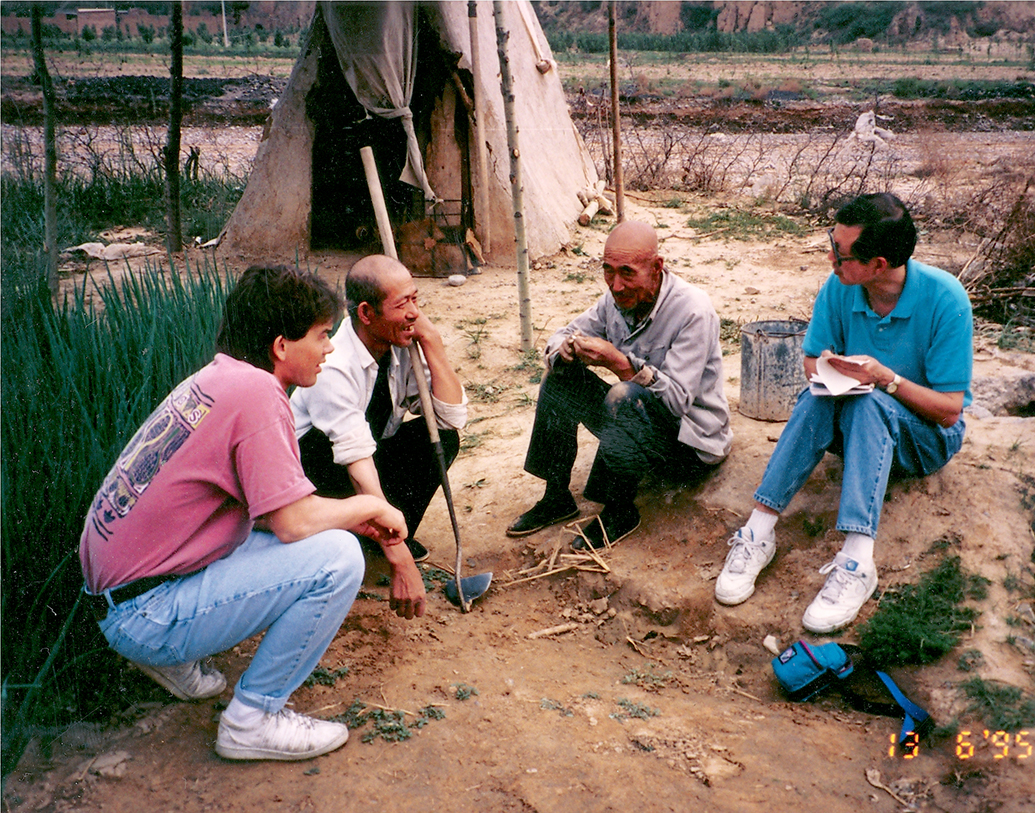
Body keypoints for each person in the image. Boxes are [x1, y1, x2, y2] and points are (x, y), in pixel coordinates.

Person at [80, 265, 426, 763]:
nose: (330, 347)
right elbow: (293, 523)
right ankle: (253, 719)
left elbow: (270, 513)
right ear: (282, 345)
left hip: (116, 595)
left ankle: (177, 660)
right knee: (338, 558)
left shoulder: (222, 377)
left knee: (311, 535)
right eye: (322, 335)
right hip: (144, 614)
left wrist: (350, 514)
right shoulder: (261, 396)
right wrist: (371, 506)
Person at [715, 193, 973, 634]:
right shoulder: (840, 288)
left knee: (870, 400)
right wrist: (835, 372)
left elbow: (949, 412)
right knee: (819, 395)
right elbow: (812, 361)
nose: (831, 259)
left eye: (841, 254)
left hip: (923, 439)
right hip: (854, 422)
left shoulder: (945, 300)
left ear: (878, 264)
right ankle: (758, 531)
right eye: (831, 243)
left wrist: (885, 379)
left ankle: (857, 559)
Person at [507, 220, 732, 550]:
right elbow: (560, 335)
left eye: (627, 272)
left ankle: (620, 510)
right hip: (645, 426)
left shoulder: (693, 310)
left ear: (657, 267)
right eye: (608, 271)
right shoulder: (615, 300)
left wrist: (619, 363)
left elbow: (677, 403)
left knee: (624, 395)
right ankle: (556, 497)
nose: (616, 284)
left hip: (690, 446)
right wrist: (566, 349)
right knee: (560, 377)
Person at [292, 255, 467, 563]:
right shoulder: (334, 366)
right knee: (336, 447)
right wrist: (397, 553)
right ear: (367, 313)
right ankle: (373, 539)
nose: (414, 313)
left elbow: (451, 417)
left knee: (441, 437)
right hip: (319, 469)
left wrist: (432, 340)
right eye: (402, 305)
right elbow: (354, 459)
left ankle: (390, 533)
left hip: (366, 454)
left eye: (416, 299)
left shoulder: (403, 345)